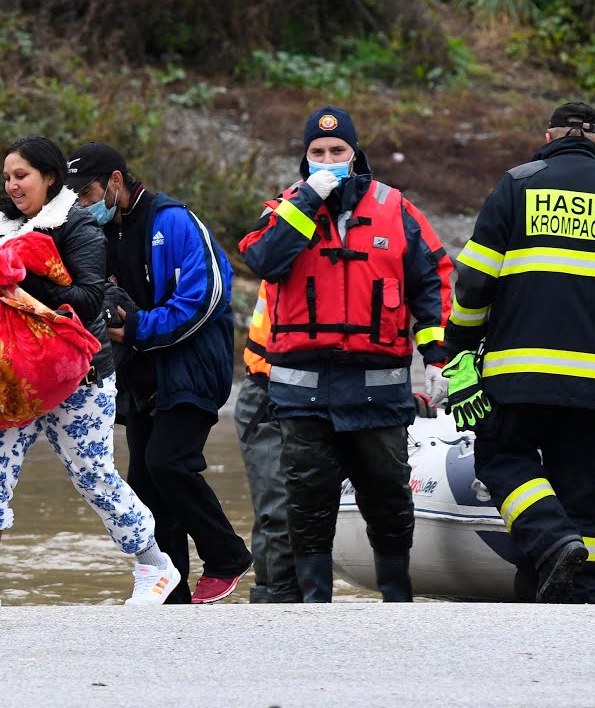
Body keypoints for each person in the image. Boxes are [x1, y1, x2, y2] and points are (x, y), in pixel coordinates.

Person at [445, 102, 595, 603]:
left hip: (519, 375)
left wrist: (458, 347)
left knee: (503, 460)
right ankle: (578, 596)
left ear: (548, 137)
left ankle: (551, 541)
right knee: (584, 491)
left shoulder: (517, 185)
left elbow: (475, 282)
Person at [0, 136, 180, 607]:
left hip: (79, 374)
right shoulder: (1, 231)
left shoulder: (78, 228)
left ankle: (156, 566)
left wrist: (21, 278)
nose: (12, 185)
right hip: (11, 374)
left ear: (50, 178)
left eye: (21, 175)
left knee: (93, 474)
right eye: (7, 177)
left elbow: (90, 298)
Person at [240, 106, 450, 603]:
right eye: (318, 153)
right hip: (301, 390)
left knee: (389, 497)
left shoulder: (395, 208)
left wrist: (438, 357)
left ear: (356, 156)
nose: (328, 160)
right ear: (305, 159)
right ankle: (317, 604)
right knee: (307, 501)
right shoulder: (286, 208)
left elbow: (432, 281)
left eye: (338, 152)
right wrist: (308, 200)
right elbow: (263, 259)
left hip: (377, 387)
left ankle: (397, 597)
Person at [66, 142, 252, 605]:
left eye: (88, 192)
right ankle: (172, 591)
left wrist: (136, 329)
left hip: (192, 369)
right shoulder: (102, 235)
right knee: (146, 483)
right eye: (76, 198)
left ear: (115, 180)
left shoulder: (174, 220)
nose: (84, 205)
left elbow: (206, 296)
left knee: (169, 463)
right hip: (142, 376)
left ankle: (227, 555)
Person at [232, 281, 300, 603]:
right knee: (276, 507)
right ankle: (274, 595)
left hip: (315, 389)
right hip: (267, 392)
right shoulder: (281, 244)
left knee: (299, 506)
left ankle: (293, 592)